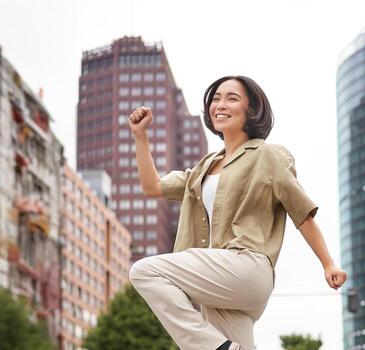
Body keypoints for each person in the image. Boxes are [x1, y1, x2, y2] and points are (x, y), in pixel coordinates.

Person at [127, 75, 347, 350]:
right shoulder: (204, 168)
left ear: (251, 110)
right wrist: (140, 136)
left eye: (231, 98)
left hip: (248, 267)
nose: (220, 104)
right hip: (219, 281)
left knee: (144, 271)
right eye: (215, 99)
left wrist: (328, 263)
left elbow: (301, 213)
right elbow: (153, 186)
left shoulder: (269, 156)